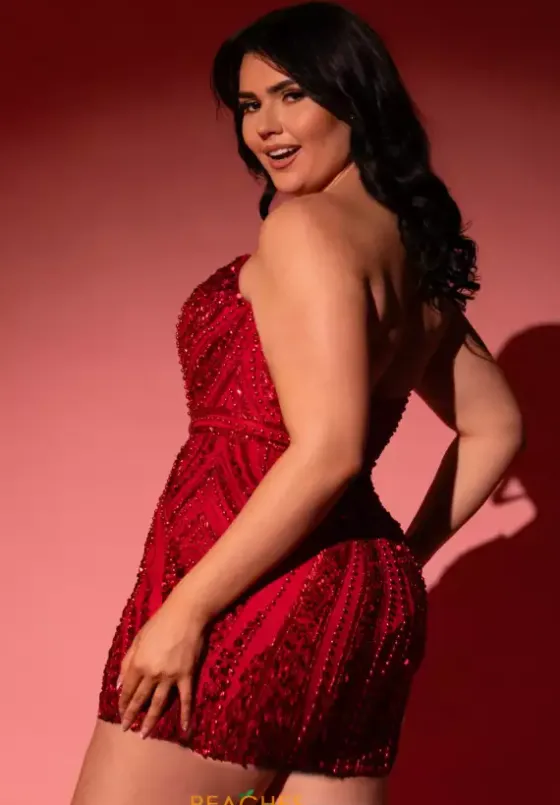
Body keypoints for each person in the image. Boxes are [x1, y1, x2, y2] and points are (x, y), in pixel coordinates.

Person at [70, 2, 524, 804]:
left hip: (253, 589)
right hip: (361, 597)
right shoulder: (410, 258)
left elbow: (329, 450)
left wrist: (185, 611)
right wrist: (403, 555)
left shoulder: (305, 229)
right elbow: (497, 425)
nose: (265, 127)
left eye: (292, 95)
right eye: (250, 104)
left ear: (355, 99)